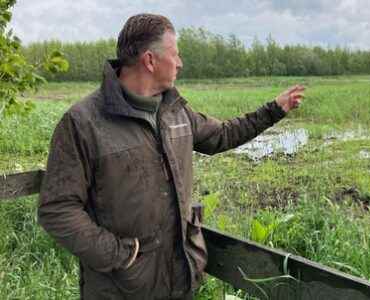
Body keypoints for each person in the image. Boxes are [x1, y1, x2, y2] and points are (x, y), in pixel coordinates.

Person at [37, 13, 304, 300]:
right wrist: (120, 255)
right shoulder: (83, 123)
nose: (180, 63)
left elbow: (222, 135)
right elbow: (57, 209)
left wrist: (275, 109)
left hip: (180, 279)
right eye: (175, 54)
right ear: (150, 61)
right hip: (120, 289)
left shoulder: (175, 110)